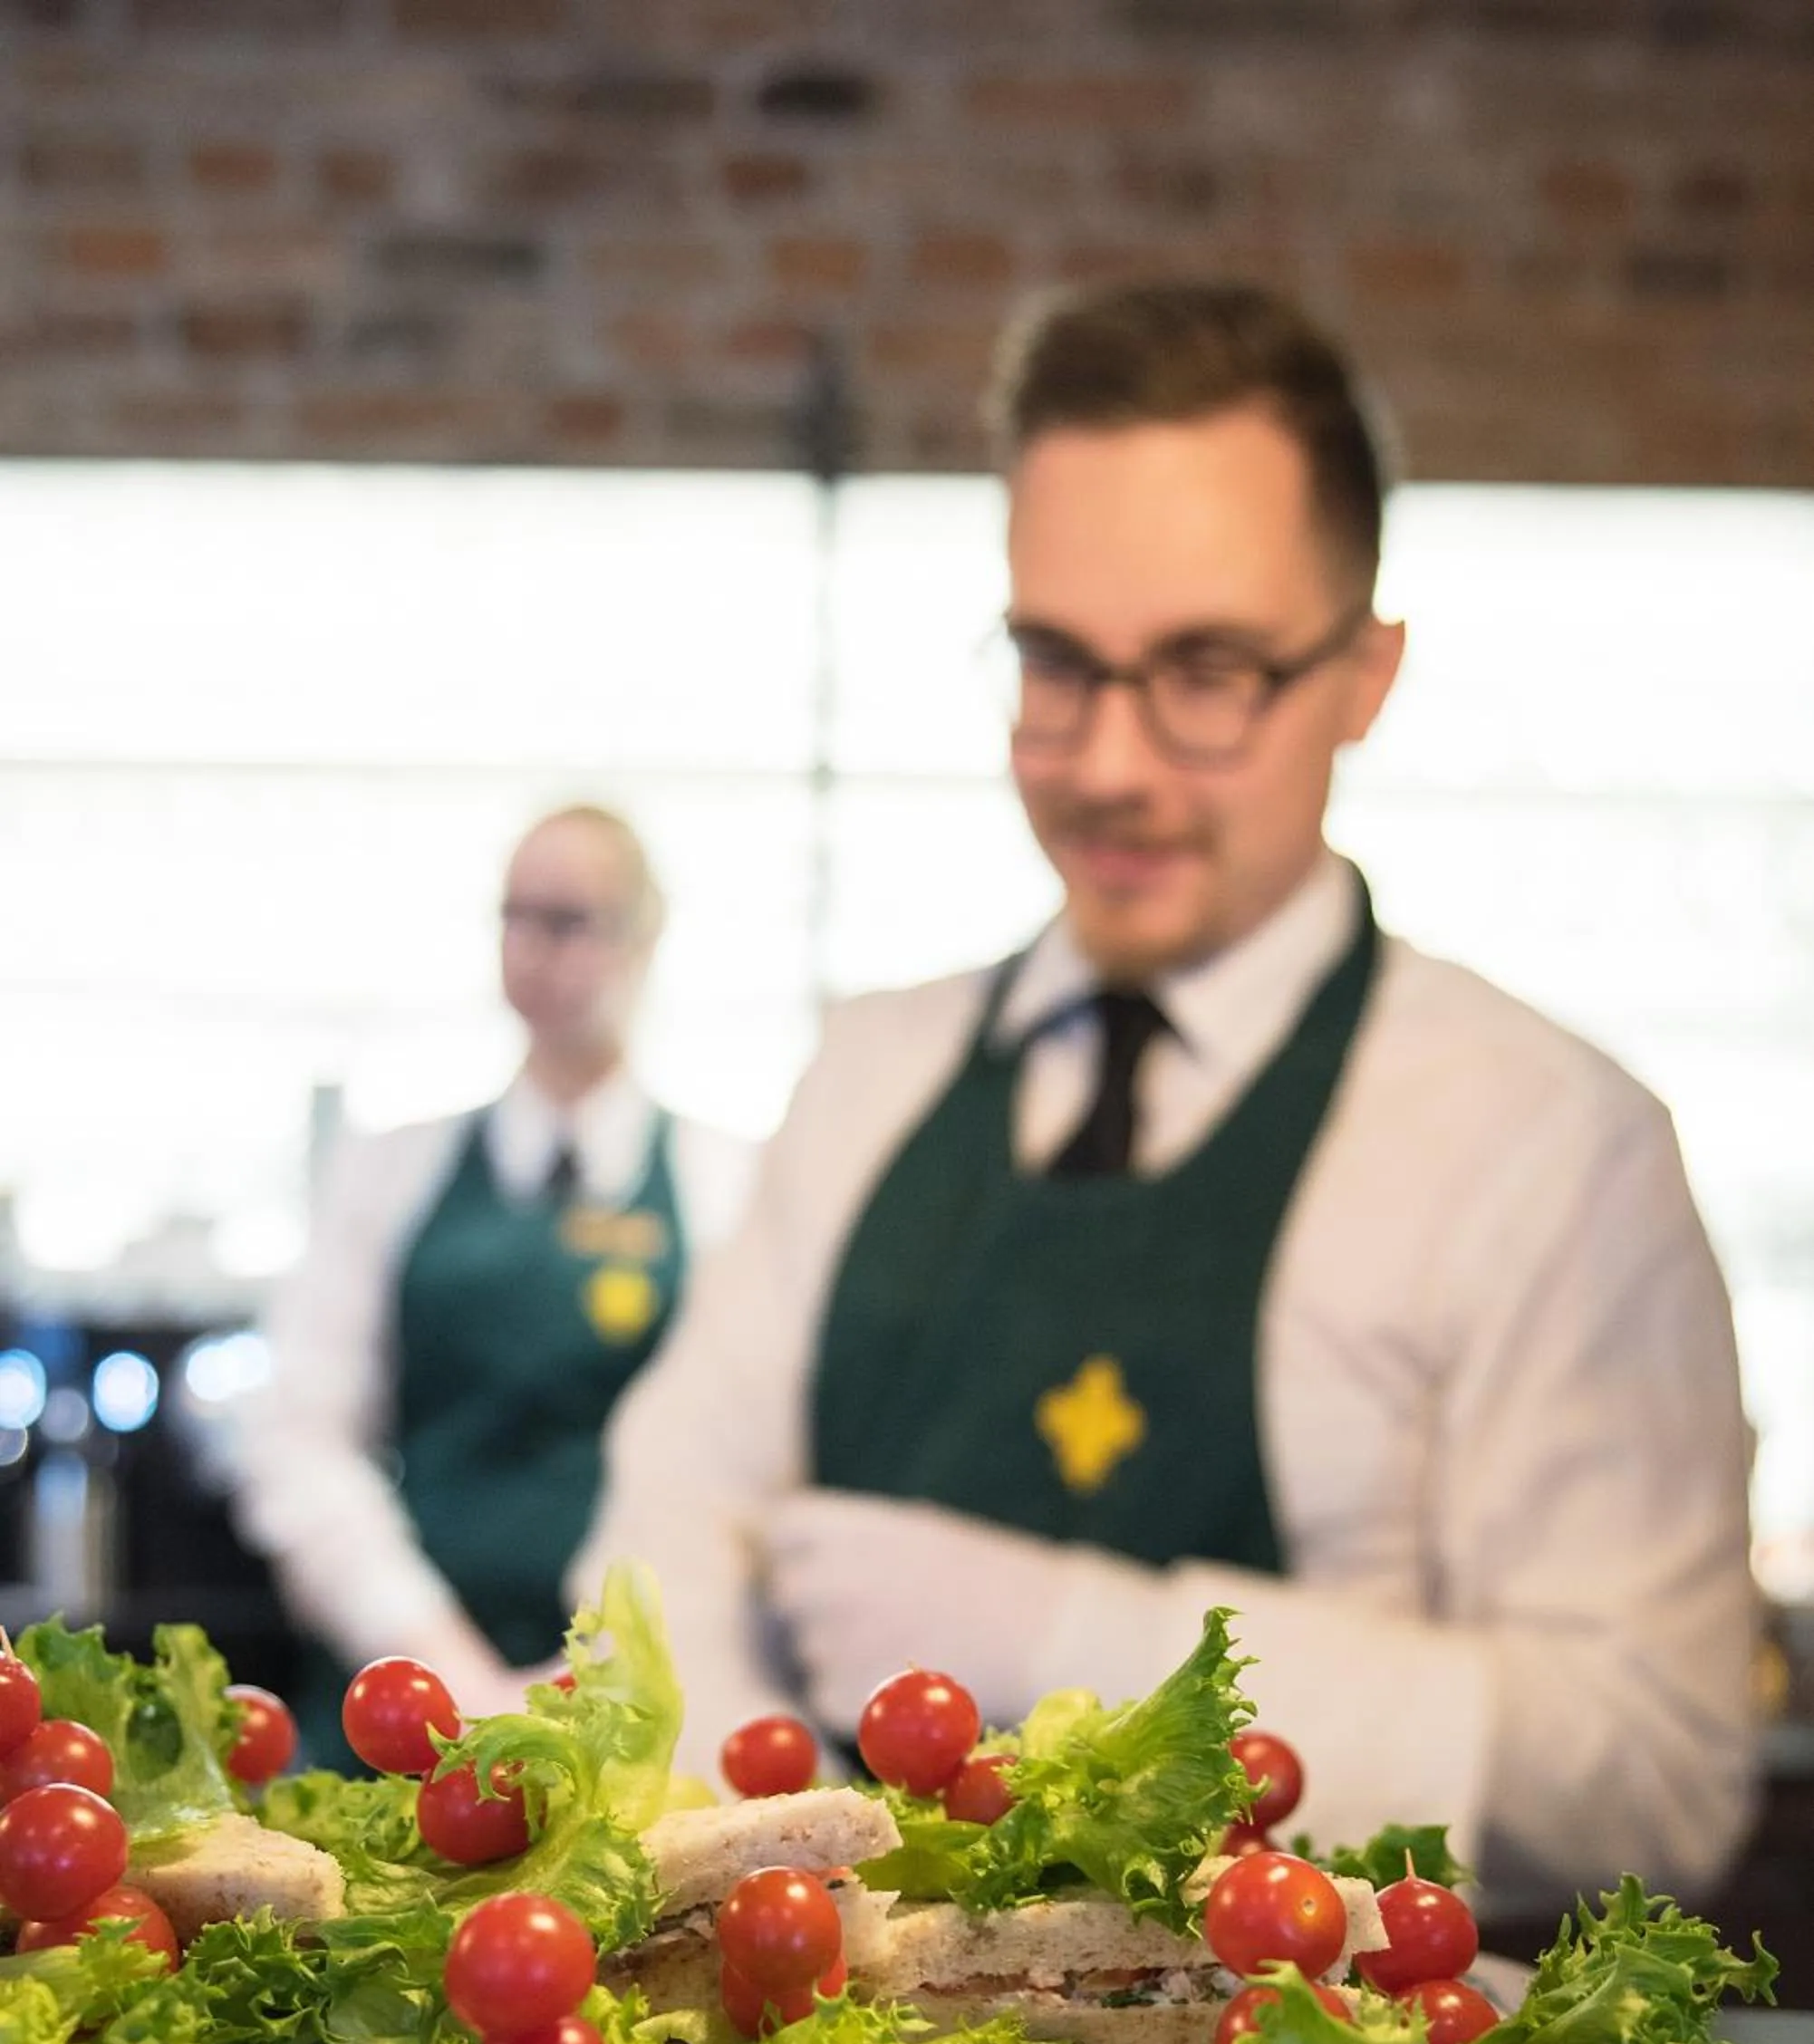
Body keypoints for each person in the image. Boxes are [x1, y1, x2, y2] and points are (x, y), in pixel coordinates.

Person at [589, 284, 1754, 1910]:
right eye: (1055, 663)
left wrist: (1069, 1639)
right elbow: (661, 1549)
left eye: (1205, 671)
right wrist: (770, 1876)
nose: (1112, 766)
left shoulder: (1548, 1149)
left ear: (1365, 673)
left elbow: (1651, 1777)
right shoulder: (870, 1077)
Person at [238, 803, 750, 1758]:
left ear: (647, 938)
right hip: (398, 1710)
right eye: (515, 917)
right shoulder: (388, 1169)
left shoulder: (729, 1184)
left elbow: (736, 1465)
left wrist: (593, 1668)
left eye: (570, 920)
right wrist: (439, 1663)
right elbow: (299, 1438)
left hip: (637, 1713)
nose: (533, 951)